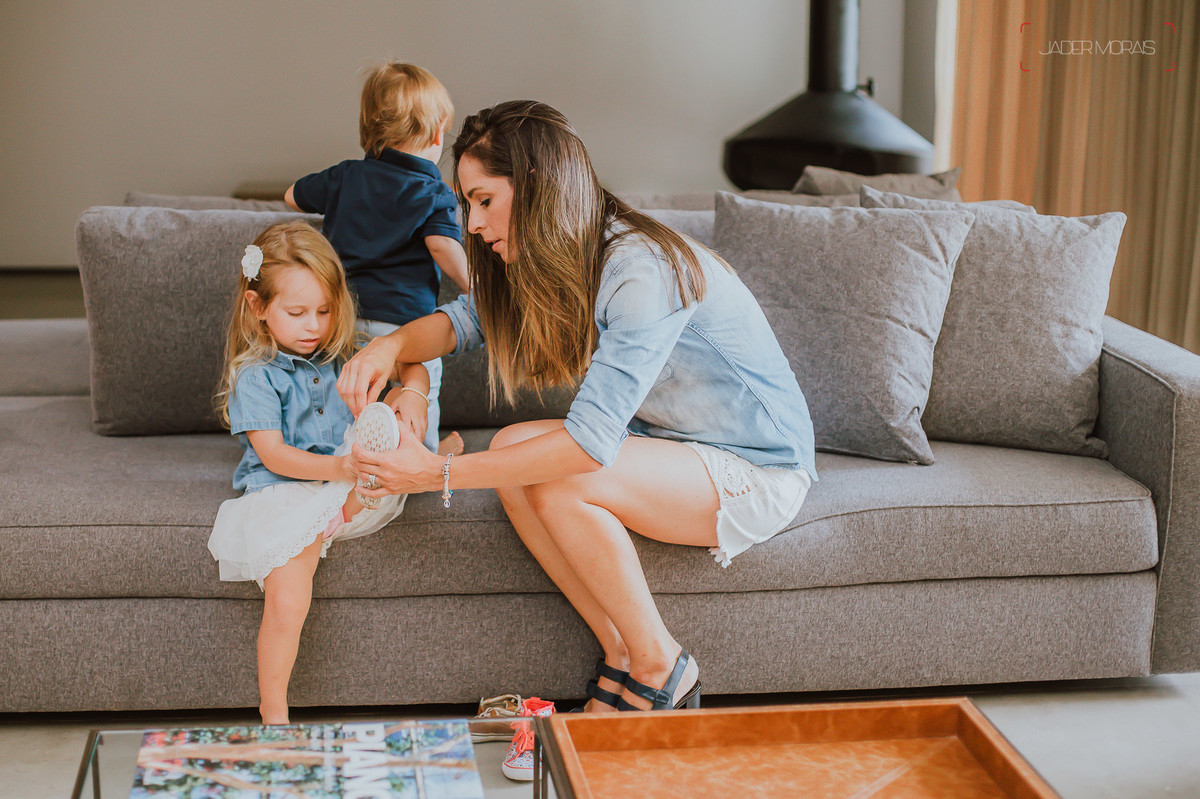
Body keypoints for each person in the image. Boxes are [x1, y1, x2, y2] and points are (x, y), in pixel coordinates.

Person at [338, 101, 818, 715]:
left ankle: (661, 664)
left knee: (558, 478)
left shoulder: (639, 271)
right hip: (673, 448)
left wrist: (434, 473)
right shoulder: (556, 256)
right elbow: (463, 321)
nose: (473, 224)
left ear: (537, 186)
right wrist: (390, 347)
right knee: (513, 448)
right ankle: (622, 654)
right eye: (466, 204)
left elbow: (587, 445)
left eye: (485, 200)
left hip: (756, 466)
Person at [208, 221, 421, 724]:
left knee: (388, 420)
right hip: (284, 486)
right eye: (297, 312)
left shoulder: (346, 351)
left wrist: (413, 396)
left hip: (347, 473)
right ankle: (274, 709)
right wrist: (342, 467)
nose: (314, 326)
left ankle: (403, 460)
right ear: (259, 309)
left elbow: (415, 358)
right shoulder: (256, 376)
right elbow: (276, 456)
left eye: (325, 311)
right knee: (287, 598)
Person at [284, 61, 468, 456]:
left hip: (344, 321)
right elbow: (441, 245)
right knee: (418, 395)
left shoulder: (345, 176)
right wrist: (475, 284)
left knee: (353, 398)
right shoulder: (434, 191)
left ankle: (352, 458)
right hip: (406, 326)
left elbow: (291, 195)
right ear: (438, 133)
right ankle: (424, 457)